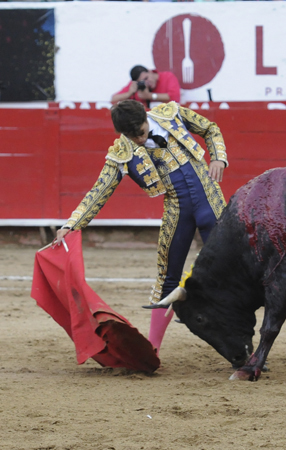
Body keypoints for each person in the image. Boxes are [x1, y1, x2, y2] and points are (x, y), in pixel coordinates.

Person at [55, 100, 228, 355]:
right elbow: (99, 190)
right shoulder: (122, 151)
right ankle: (153, 349)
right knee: (166, 278)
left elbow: (211, 129)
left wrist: (219, 159)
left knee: (226, 267)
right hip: (177, 209)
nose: (137, 139)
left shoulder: (172, 113)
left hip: (209, 198)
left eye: (141, 133)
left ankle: (239, 348)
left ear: (146, 119)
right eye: (131, 136)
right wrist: (72, 224)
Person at [111, 65, 181, 106]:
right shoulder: (135, 84)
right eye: (142, 81)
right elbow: (113, 100)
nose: (147, 82)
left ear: (150, 71)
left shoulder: (167, 77)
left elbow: (175, 97)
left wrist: (149, 96)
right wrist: (129, 93)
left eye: (146, 78)